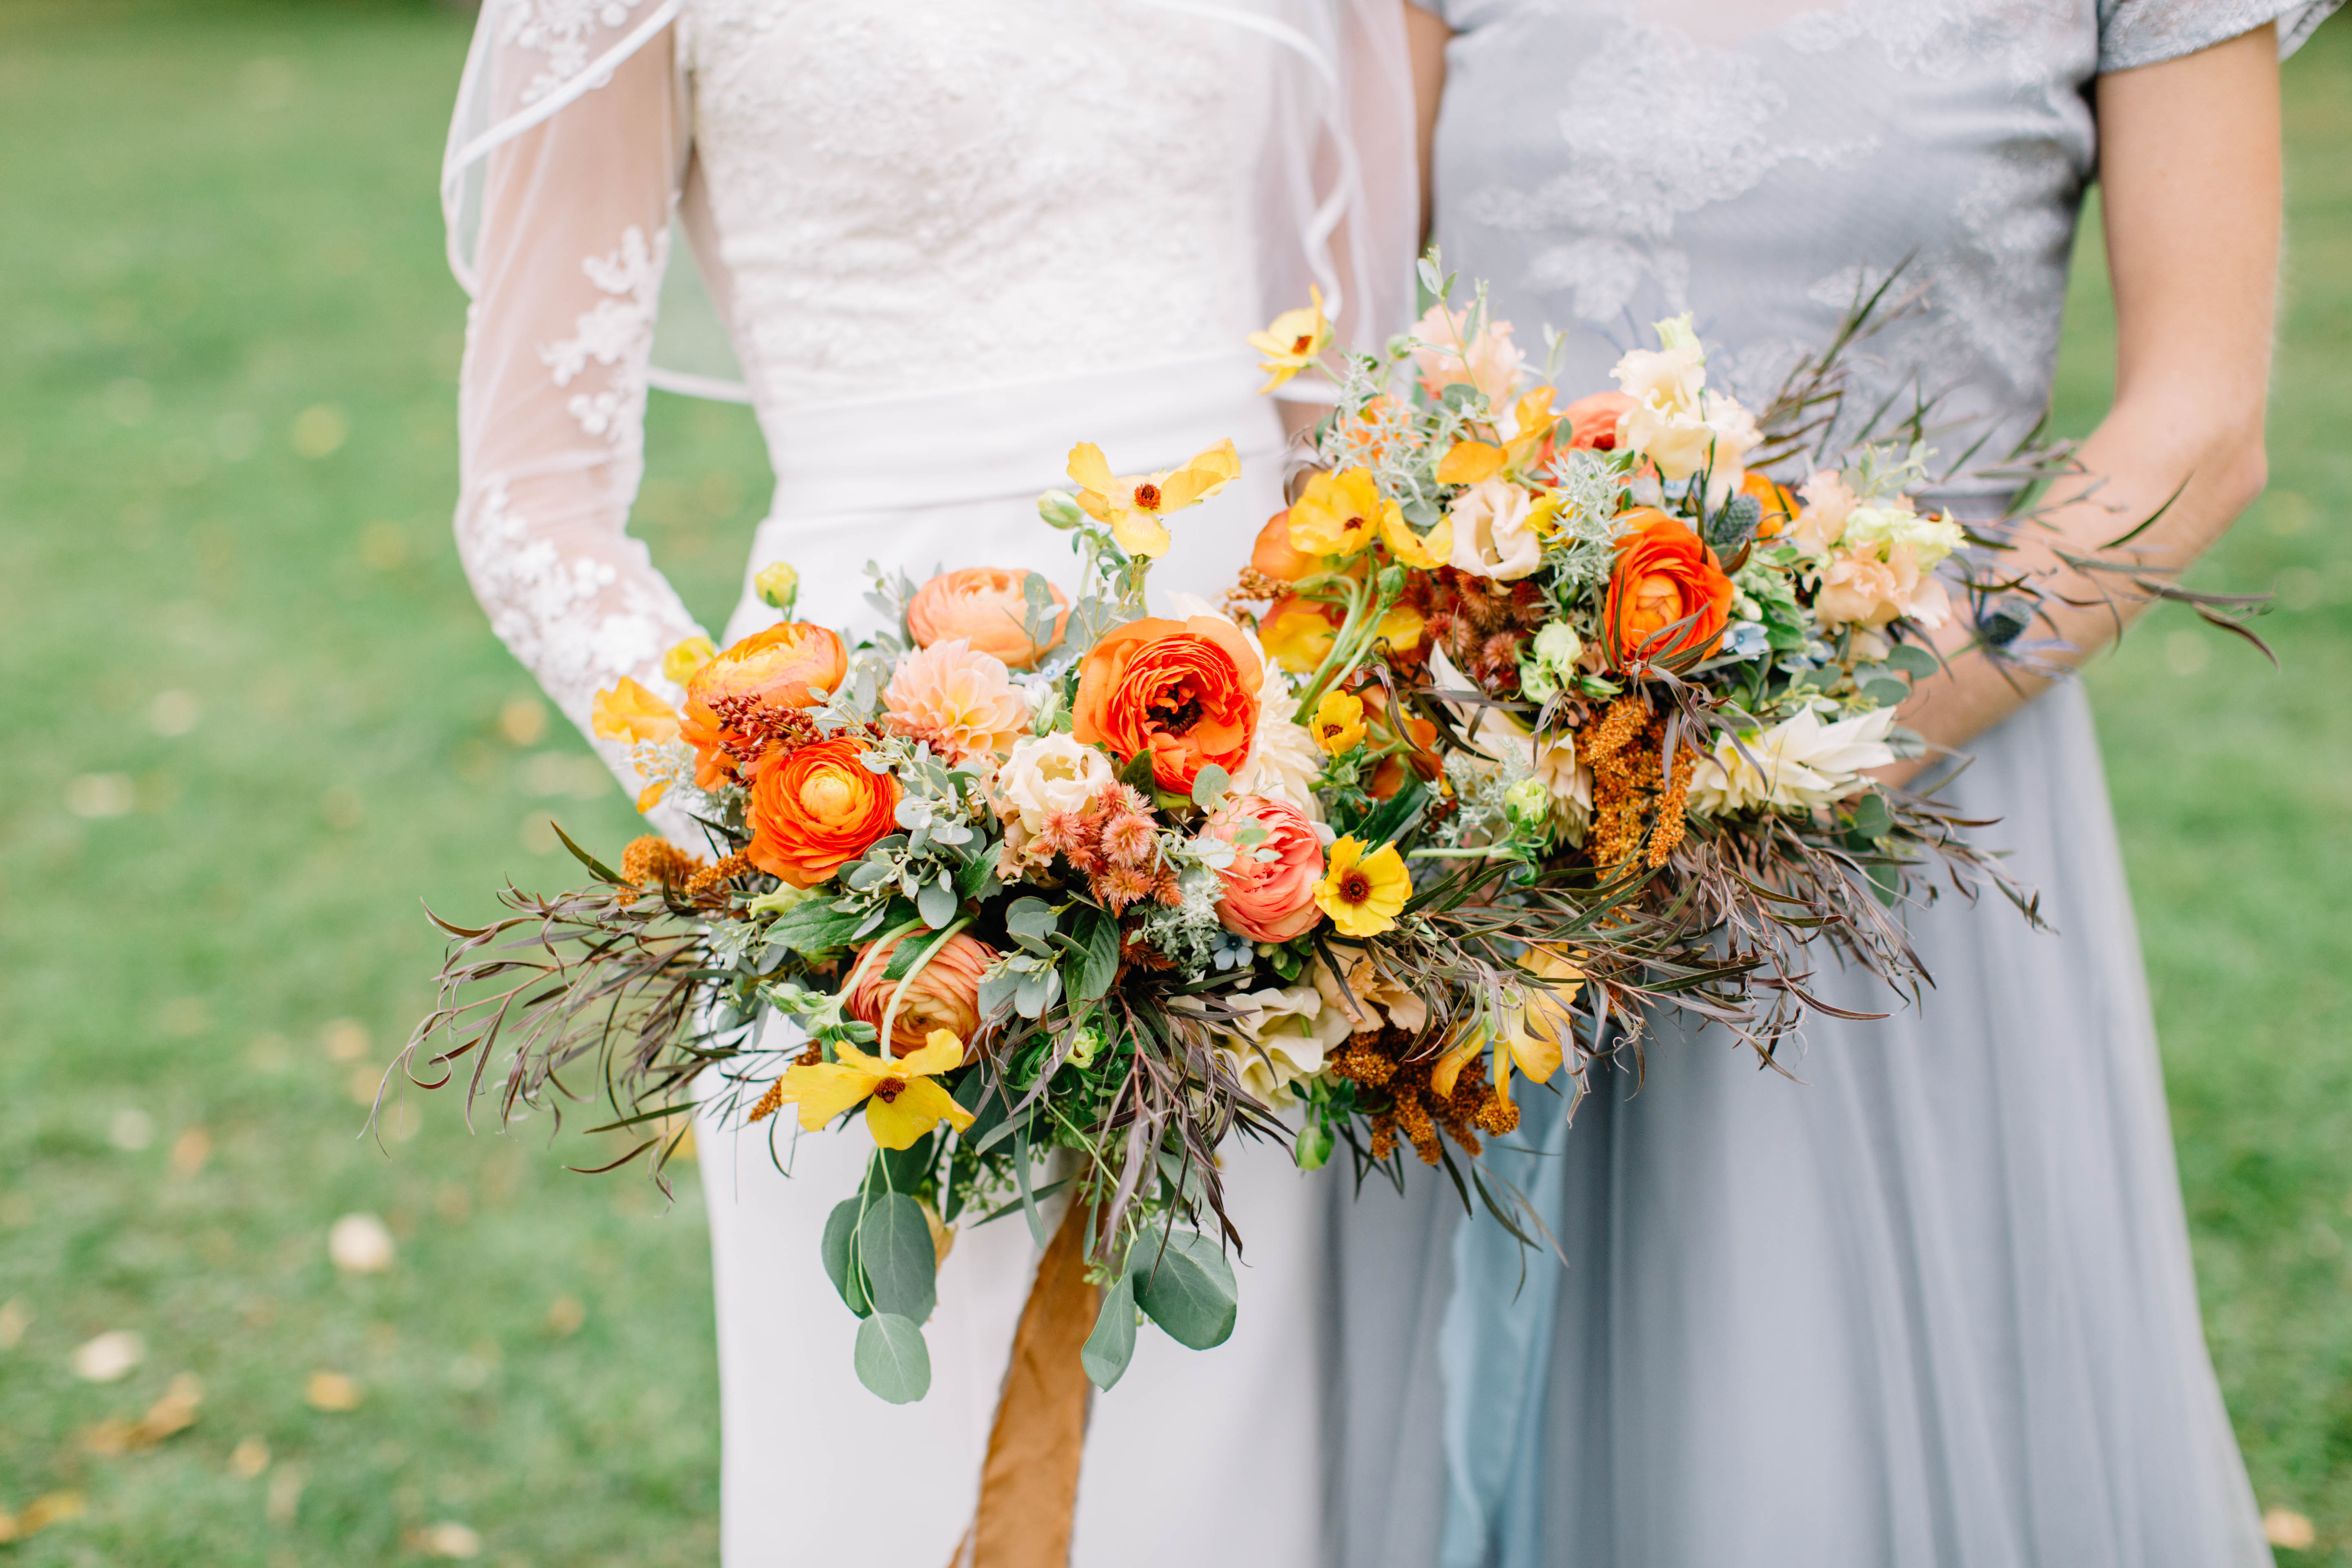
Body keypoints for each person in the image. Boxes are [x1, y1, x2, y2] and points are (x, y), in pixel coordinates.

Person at [1327, 3, 2339, 1565]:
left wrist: (1800, 765)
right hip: (1496, 833)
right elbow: (1347, 354)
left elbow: (2200, 430)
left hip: (1909, 796)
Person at [437, 2, 1414, 1561]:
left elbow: (1338, 387)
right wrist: (778, 821)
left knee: (1221, 1432)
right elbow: (531, 499)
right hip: (860, 828)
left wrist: (1339, 735)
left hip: (1254, 803)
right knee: (898, 1431)